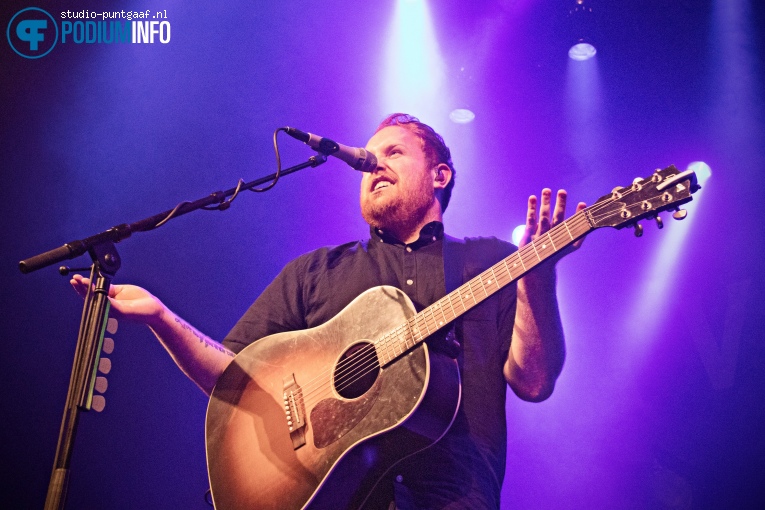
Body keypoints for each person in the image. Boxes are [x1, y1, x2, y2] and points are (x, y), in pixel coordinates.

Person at [72, 113, 585, 509]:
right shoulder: (316, 272)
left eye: (394, 151)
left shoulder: (492, 262)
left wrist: (537, 277)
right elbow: (233, 377)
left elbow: (534, 382)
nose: (372, 162)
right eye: (368, 154)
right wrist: (162, 318)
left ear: (440, 175)